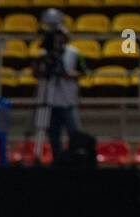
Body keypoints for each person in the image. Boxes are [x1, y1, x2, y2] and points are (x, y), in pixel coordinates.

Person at [33, 22, 84, 162]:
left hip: (67, 101)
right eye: (56, 36)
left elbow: (83, 71)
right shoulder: (43, 54)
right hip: (48, 101)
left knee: (73, 133)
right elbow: (36, 74)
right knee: (53, 135)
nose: (58, 39)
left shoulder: (74, 52)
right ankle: (57, 160)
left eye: (61, 36)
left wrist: (68, 74)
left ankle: (75, 161)